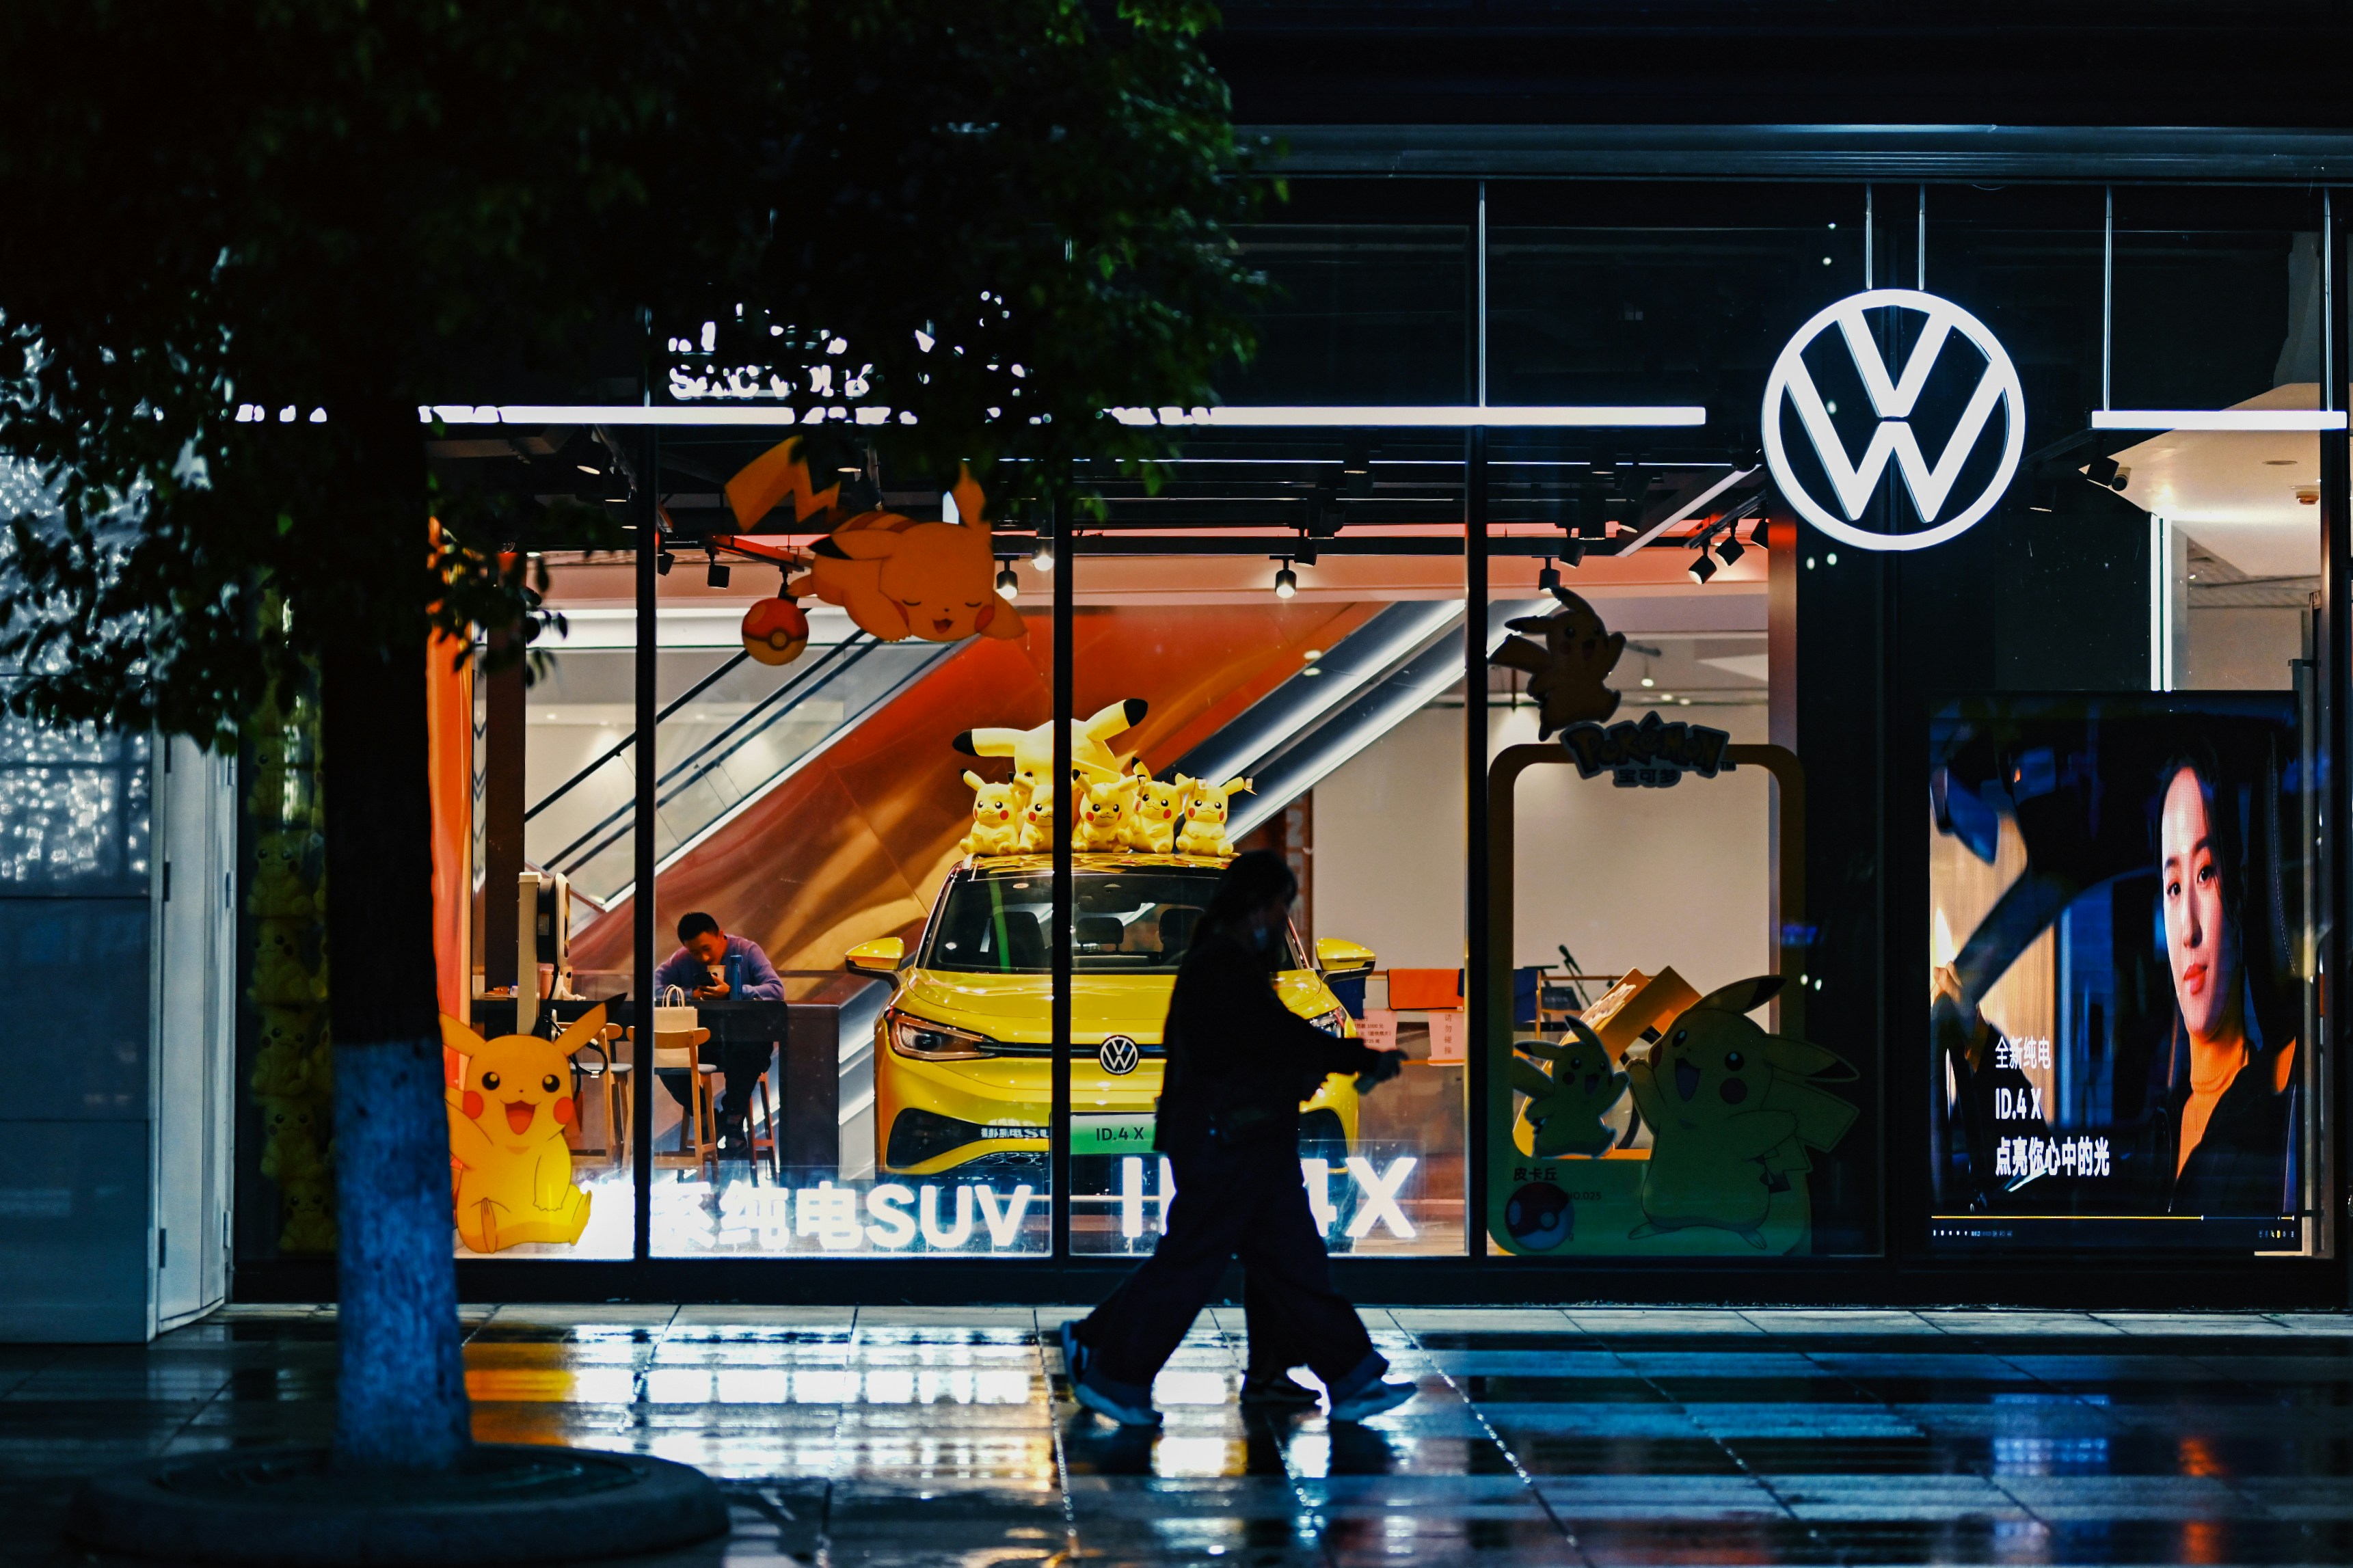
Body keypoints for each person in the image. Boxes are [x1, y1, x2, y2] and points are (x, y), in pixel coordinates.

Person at [1060, 851, 1415, 1428]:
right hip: (1230, 1140)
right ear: (1257, 906)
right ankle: (1115, 1373)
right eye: (1280, 906)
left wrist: (1329, 1062)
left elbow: (1261, 1044)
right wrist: (1353, 1058)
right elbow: (1270, 1040)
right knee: (1213, 1262)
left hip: (1241, 1139)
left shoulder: (1223, 960)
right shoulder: (1224, 965)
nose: (1282, 918)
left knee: (1278, 1260)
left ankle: (1344, 1376)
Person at [2153, 751, 2298, 1214]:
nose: (2189, 928)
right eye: (2174, 888)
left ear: (2238, 894)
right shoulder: (2160, 1126)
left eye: (2205, 873)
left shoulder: (2279, 1106)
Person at [653, 911, 785, 1159]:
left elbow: (776, 990)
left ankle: (732, 1120)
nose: (703, 958)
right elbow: (655, 989)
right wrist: (692, 994)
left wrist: (735, 991)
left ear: (721, 936)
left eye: (707, 948)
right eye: (695, 952)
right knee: (664, 1057)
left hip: (745, 1040)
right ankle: (709, 1119)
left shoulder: (746, 951)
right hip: (704, 1042)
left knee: (749, 1050)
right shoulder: (680, 960)